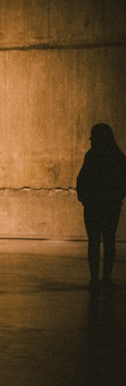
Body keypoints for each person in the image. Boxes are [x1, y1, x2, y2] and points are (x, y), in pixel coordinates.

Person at [76, 123, 126, 290]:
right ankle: (106, 278)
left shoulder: (92, 156)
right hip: (110, 206)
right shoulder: (117, 157)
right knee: (109, 241)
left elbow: (82, 179)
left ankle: (95, 278)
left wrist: (84, 198)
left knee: (94, 242)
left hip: (94, 206)